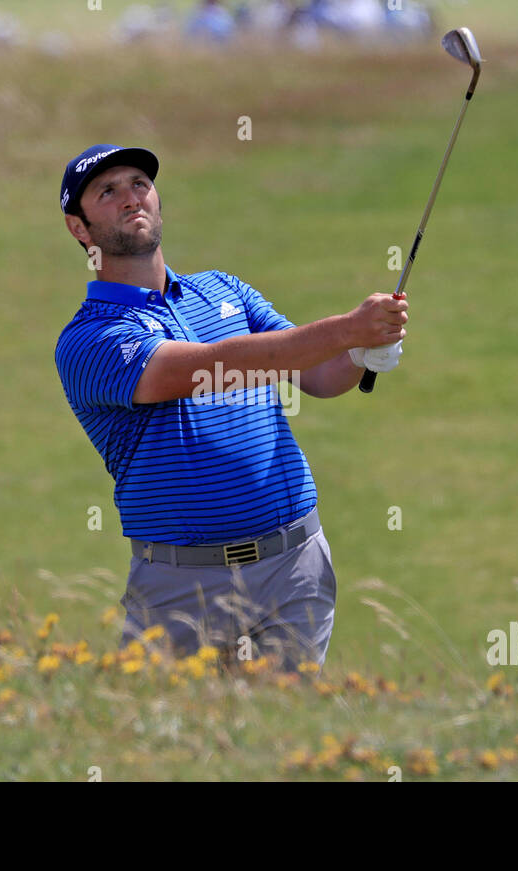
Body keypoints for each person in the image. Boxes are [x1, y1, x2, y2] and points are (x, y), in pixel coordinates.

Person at [55, 144, 407, 671]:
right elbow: (206, 368)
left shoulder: (224, 291)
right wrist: (345, 329)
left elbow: (315, 373)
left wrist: (360, 354)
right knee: (175, 746)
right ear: (79, 228)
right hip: (180, 587)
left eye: (139, 184)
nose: (131, 198)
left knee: (288, 740)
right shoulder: (89, 339)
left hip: (293, 569)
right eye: (108, 192)